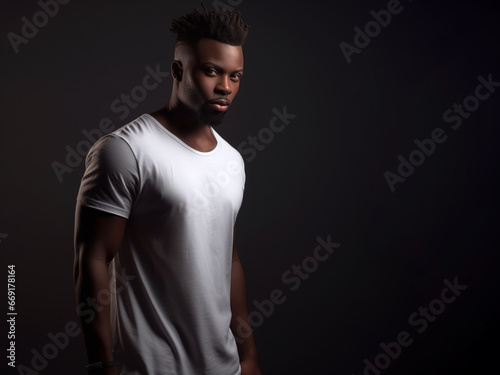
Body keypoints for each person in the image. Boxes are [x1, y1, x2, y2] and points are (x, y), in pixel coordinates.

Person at [73, 6, 261, 375]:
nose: (225, 86)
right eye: (211, 71)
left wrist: (248, 355)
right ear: (178, 70)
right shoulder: (125, 150)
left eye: (235, 76)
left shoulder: (232, 161)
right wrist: (101, 363)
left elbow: (229, 260)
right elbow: (92, 258)